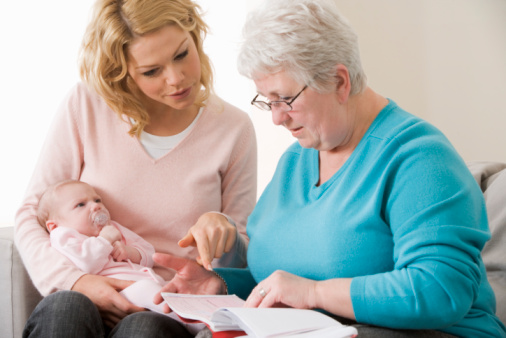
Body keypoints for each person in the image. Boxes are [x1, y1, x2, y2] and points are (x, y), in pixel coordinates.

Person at [152, 0, 506, 337]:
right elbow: (277, 279)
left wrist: (315, 293)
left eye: (285, 99)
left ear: (339, 81)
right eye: (268, 102)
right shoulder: (297, 160)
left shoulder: (419, 158)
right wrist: (222, 283)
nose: (276, 118)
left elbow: (440, 291)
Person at [15, 0, 257, 336]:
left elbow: (242, 251)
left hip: (163, 307)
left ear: (194, 35)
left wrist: (224, 230)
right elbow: (31, 213)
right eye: (151, 71)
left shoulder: (233, 128)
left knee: (142, 328)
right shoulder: (87, 105)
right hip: (85, 294)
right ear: (121, 70)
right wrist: (77, 280)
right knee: (65, 307)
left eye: (182, 54)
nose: (176, 78)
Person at [37, 180, 207, 334]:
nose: (95, 207)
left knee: (172, 289)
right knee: (148, 290)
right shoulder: (64, 235)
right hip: (118, 293)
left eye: (97, 200)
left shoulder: (114, 227)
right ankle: (199, 325)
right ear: (54, 225)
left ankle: (199, 316)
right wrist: (105, 240)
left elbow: (149, 253)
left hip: (152, 281)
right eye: (80, 205)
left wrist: (130, 252)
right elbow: (86, 264)